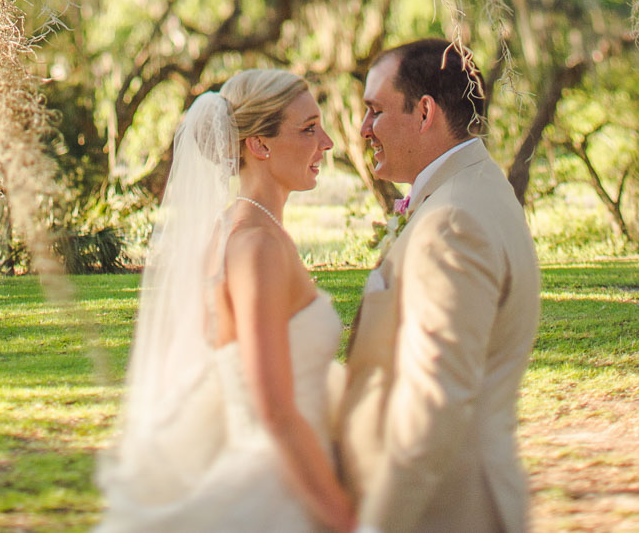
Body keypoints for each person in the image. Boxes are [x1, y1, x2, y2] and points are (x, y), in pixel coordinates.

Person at [97, 69, 358, 532]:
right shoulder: (255, 247)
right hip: (282, 493)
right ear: (259, 145)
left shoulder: (239, 231)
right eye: (308, 129)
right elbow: (274, 411)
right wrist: (344, 517)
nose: (329, 142)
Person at [336, 39, 541, 533]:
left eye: (375, 111)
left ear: (425, 111)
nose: (364, 129)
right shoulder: (478, 189)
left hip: (449, 510)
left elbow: (434, 403)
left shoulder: (451, 223)